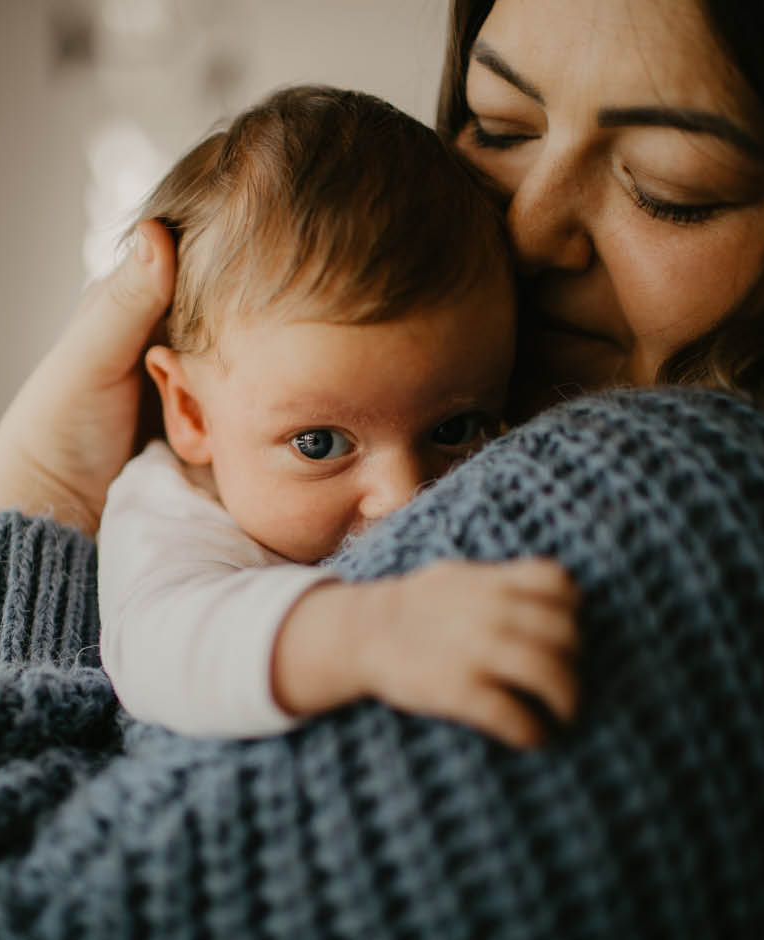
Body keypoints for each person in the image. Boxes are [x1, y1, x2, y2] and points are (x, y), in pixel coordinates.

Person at [0, 0, 764, 936]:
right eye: (496, 125)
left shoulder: (699, 520)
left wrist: (26, 494)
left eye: (668, 189)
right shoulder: (184, 510)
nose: (528, 232)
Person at [98, 85, 580, 743]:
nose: (404, 498)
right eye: (320, 444)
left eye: (454, 430)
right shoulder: (170, 514)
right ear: (191, 413)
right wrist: (368, 632)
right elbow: (156, 649)